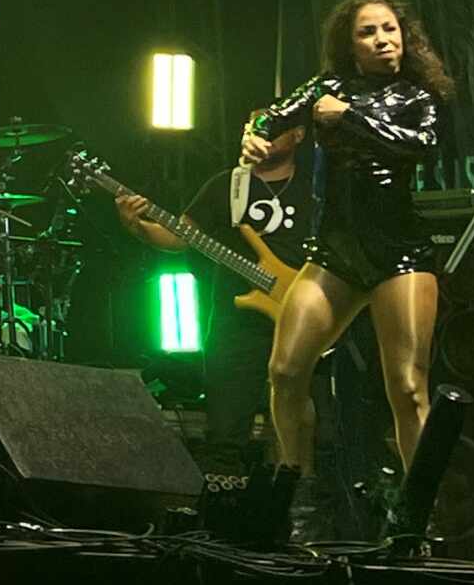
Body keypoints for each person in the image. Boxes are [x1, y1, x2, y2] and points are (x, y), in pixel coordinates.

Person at [245, 0, 454, 533]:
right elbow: (273, 116)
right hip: (335, 255)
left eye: (390, 29)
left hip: (399, 254)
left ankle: (418, 519)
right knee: (285, 371)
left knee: (407, 389)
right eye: (369, 32)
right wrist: (254, 137)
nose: (383, 40)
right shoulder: (327, 87)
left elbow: (420, 145)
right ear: (350, 44)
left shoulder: (419, 95)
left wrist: (349, 119)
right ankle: (297, 496)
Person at [111, 129, 329, 525]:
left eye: (274, 127)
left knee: (301, 418)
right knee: (225, 427)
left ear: (297, 134)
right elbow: (180, 237)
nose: (261, 135)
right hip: (236, 322)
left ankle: (301, 511)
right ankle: (222, 518)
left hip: (303, 315)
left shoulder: (316, 184)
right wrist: (137, 227)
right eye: (254, 127)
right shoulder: (228, 185)